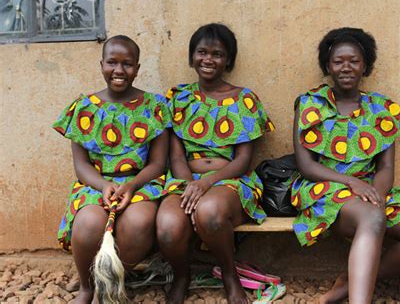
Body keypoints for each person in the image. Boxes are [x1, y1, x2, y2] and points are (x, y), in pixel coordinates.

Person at [291, 27, 400, 304]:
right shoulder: (310, 104)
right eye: (338, 61)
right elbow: (305, 166)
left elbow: (385, 168)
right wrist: (353, 183)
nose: (346, 68)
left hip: (372, 190)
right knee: (373, 218)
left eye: (354, 61)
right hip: (324, 188)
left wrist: (379, 197)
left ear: (366, 66)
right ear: (327, 65)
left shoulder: (381, 110)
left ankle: (347, 284)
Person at [156, 23, 274, 304]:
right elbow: (176, 156)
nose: (208, 59)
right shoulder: (178, 98)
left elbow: (244, 161)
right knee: (168, 227)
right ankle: (182, 275)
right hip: (186, 179)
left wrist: (205, 183)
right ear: (192, 56)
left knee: (209, 212)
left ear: (228, 60)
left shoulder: (244, 100)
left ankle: (230, 275)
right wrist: (190, 184)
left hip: (232, 180)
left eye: (218, 54)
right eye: (202, 52)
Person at [52, 35, 171, 303]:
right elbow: (81, 166)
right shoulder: (83, 109)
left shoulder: (155, 107)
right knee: (87, 223)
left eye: (127, 64)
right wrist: (104, 186)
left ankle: (113, 280)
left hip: (141, 183)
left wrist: (131, 185)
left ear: (138, 68)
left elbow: (157, 163)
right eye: (112, 62)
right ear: (101, 64)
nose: (119, 70)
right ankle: (87, 285)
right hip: (95, 184)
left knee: (138, 223)